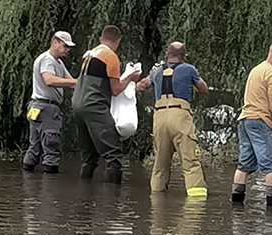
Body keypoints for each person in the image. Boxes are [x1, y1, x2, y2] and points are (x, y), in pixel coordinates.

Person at [136, 42, 209, 197]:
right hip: (180, 116)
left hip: (160, 117)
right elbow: (203, 88)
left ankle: (156, 201)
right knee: (190, 162)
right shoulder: (189, 69)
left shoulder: (156, 71)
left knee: (160, 164)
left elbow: (142, 85)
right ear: (184, 56)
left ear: (167, 55)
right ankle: (197, 207)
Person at [72, 25, 140, 184]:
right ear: (118, 41)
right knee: (113, 154)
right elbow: (116, 90)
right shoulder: (110, 56)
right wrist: (130, 77)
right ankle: (113, 202)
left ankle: (84, 194)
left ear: (100, 39)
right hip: (94, 105)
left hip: (77, 104)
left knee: (89, 156)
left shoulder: (88, 54)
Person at [232, 39, 272, 208]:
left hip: (245, 121)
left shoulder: (256, 70)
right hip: (258, 122)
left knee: (244, 164)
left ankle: (236, 206)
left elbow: (258, 100)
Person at [22, 31, 77, 174]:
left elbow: (70, 81)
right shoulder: (48, 60)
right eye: (65, 46)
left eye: (69, 47)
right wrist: (78, 82)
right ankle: (50, 187)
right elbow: (49, 80)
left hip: (37, 107)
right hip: (46, 108)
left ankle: (27, 179)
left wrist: (81, 83)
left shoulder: (58, 62)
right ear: (55, 42)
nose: (67, 50)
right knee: (52, 145)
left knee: (35, 145)